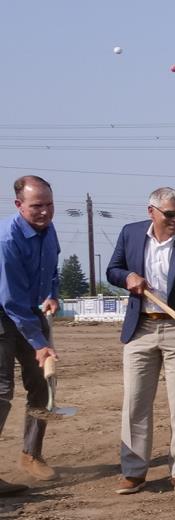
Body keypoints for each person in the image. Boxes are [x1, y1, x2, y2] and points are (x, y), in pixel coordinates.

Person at [104, 187, 175, 494]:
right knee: (136, 403)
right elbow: (112, 270)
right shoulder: (130, 234)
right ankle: (134, 471)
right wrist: (127, 277)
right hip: (140, 328)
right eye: (171, 214)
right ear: (151, 211)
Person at [0, 175, 61, 493]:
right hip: (3, 315)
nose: (45, 212)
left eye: (49, 205)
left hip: (31, 311)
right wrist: (39, 343)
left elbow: (52, 272)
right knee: (1, 390)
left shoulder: (50, 231)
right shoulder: (7, 240)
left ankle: (31, 453)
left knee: (43, 384)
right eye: (37, 206)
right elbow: (10, 300)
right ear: (18, 205)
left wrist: (52, 294)